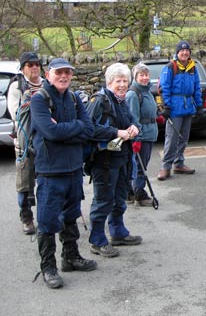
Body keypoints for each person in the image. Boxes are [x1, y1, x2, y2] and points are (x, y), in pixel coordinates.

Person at [30, 58, 97, 289]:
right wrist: (72, 128)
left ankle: (70, 257)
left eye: (68, 73)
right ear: (49, 74)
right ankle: (48, 268)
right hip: (50, 172)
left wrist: (64, 130)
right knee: (48, 222)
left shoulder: (74, 97)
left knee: (71, 215)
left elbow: (88, 130)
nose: (64, 76)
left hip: (73, 170)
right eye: (59, 72)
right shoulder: (39, 100)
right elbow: (50, 131)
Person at [86, 63, 142, 258]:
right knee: (103, 200)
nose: (122, 84)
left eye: (125, 81)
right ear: (109, 82)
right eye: (118, 81)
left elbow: (131, 121)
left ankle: (118, 232)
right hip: (104, 161)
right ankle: (97, 240)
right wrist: (116, 132)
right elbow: (89, 128)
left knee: (119, 198)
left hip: (122, 159)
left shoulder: (121, 101)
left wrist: (135, 128)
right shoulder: (99, 101)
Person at [7, 52, 43, 235]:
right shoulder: (17, 87)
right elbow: (16, 114)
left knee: (46, 179)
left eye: (37, 63)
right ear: (22, 68)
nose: (35, 67)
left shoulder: (46, 83)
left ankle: (48, 215)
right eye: (30, 64)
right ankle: (26, 217)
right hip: (24, 141)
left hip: (44, 141)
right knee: (25, 182)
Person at [157, 40, 203, 180]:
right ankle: (166, 167)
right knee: (171, 139)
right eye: (182, 51)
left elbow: (196, 88)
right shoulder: (170, 67)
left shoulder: (192, 68)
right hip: (174, 108)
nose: (184, 53)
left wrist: (199, 106)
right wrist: (167, 107)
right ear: (177, 53)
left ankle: (179, 164)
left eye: (187, 51)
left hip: (188, 107)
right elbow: (165, 88)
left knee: (184, 138)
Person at [126, 63, 159, 206]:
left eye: (146, 75)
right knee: (140, 166)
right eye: (141, 75)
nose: (145, 78)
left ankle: (130, 191)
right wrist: (136, 139)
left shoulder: (147, 91)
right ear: (135, 77)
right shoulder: (133, 94)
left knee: (140, 164)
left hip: (150, 133)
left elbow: (149, 110)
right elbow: (133, 118)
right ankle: (139, 193)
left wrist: (157, 117)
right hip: (142, 135)